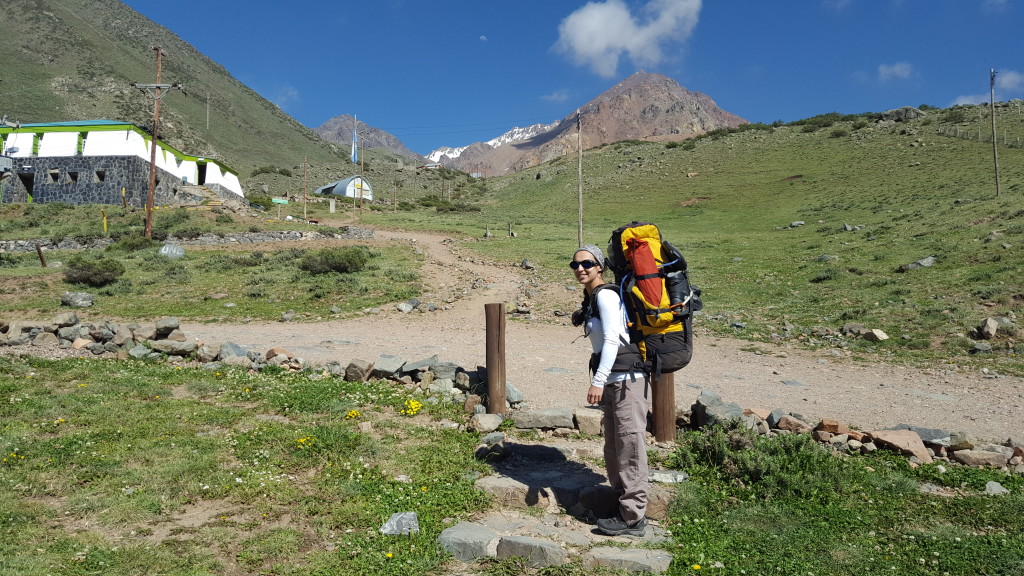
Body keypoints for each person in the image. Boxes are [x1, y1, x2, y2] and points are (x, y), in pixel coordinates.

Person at [571, 244, 649, 537]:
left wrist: (598, 380)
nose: (580, 269)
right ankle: (622, 506)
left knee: (630, 446)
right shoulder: (592, 297)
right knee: (615, 446)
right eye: (575, 265)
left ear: (599, 266)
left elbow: (613, 340)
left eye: (587, 263)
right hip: (618, 380)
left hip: (628, 379)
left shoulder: (605, 294)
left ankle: (633, 518)